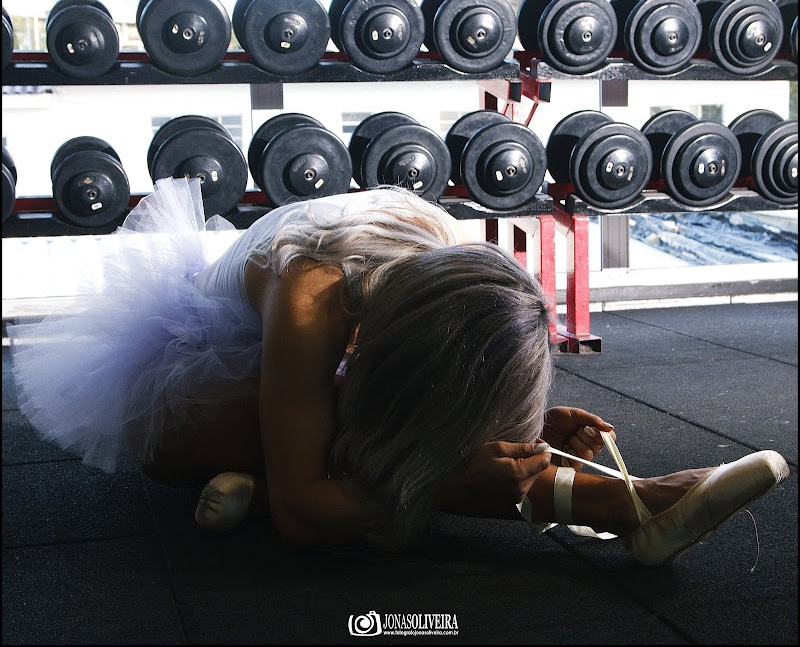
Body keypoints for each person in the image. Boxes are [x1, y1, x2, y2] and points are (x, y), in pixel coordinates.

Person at [8, 177, 789, 566]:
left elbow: (445, 367)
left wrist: (517, 424)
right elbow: (305, 519)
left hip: (339, 366)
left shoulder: (457, 264)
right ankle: (630, 508)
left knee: (382, 438)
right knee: (214, 446)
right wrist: (444, 477)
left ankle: (635, 509)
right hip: (202, 363)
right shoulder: (314, 287)